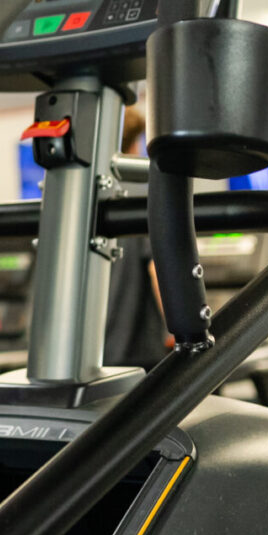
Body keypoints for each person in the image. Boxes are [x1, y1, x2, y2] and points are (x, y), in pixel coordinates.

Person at [103, 106, 171, 368]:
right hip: (136, 352)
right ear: (133, 145)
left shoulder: (81, 198)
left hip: (88, 349)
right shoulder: (144, 191)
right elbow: (160, 271)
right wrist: (187, 334)